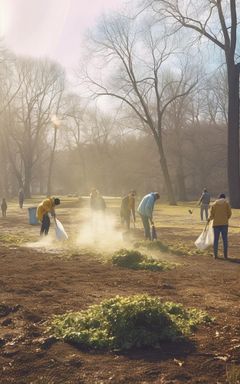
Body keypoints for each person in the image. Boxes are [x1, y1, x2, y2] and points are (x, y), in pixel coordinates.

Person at [208, 193, 231, 259]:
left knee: (216, 240)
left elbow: (212, 215)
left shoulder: (214, 204)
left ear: (219, 197)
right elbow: (229, 213)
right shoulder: (226, 203)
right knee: (225, 240)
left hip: (216, 224)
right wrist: (226, 218)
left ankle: (215, 255)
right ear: (224, 198)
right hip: (224, 224)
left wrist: (209, 219)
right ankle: (225, 256)